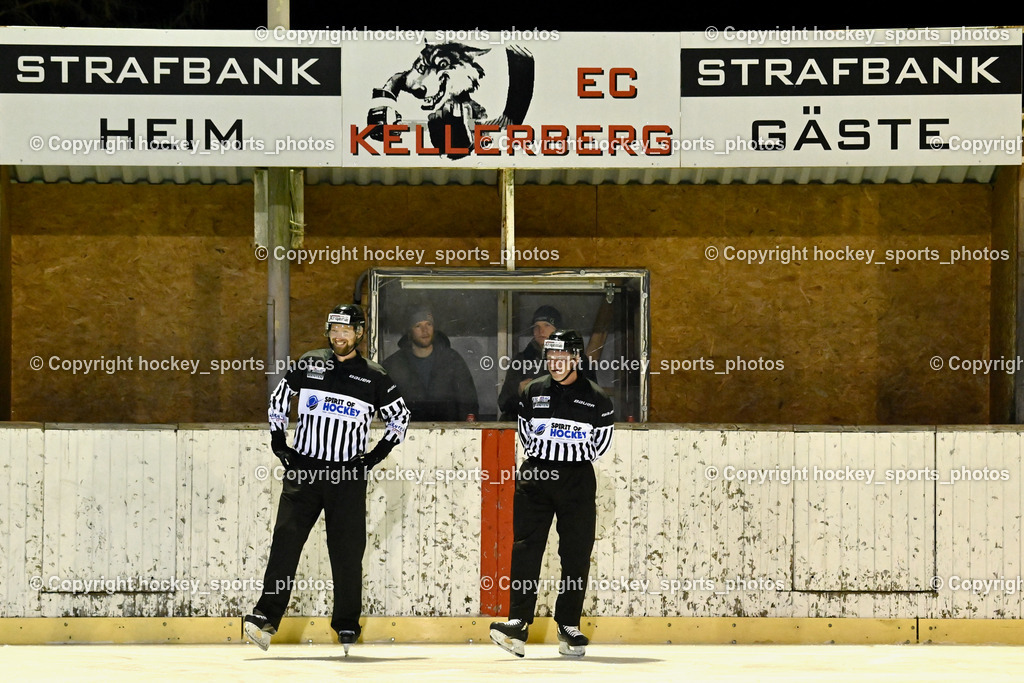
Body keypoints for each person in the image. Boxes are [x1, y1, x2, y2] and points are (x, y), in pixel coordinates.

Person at [243, 303, 410, 655]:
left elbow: (400, 418)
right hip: (304, 471)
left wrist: (374, 457)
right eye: (334, 330)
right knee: (285, 543)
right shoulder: (310, 362)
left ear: (359, 333)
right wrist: (278, 442)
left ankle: (346, 624)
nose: (339, 336)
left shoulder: (374, 375)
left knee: (347, 553)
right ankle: (265, 617)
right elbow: (278, 399)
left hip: (347, 475)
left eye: (346, 330)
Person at [489, 329, 615, 658]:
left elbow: (601, 444)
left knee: (576, 553)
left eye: (562, 356)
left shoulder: (597, 397)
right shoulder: (533, 390)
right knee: (525, 549)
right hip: (536, 477)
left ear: (576, 358)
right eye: (551, 356)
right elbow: (526, 435)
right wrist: (550, 456)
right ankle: (517, 623)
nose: (556, 362)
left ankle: (568, 625)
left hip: (577, 480)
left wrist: (569, 456)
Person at [382, 306, 479, 421]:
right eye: (418, 326)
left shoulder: (452, 360)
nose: (425, 330)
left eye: (429, 324)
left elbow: (468, 401)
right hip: (408, 430)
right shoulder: (394, 364)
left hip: (448, 430)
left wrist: (466, 425)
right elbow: (383, 404)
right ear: (409, 332)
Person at [497, 305, 562, 421]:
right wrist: (519, 393)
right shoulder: (521, 360)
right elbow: (503, 404)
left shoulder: (576, 359)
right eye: (536, 326)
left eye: (547, 325)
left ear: (558, 330)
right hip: (527, 427)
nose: (541, 331)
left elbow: (590, 401)